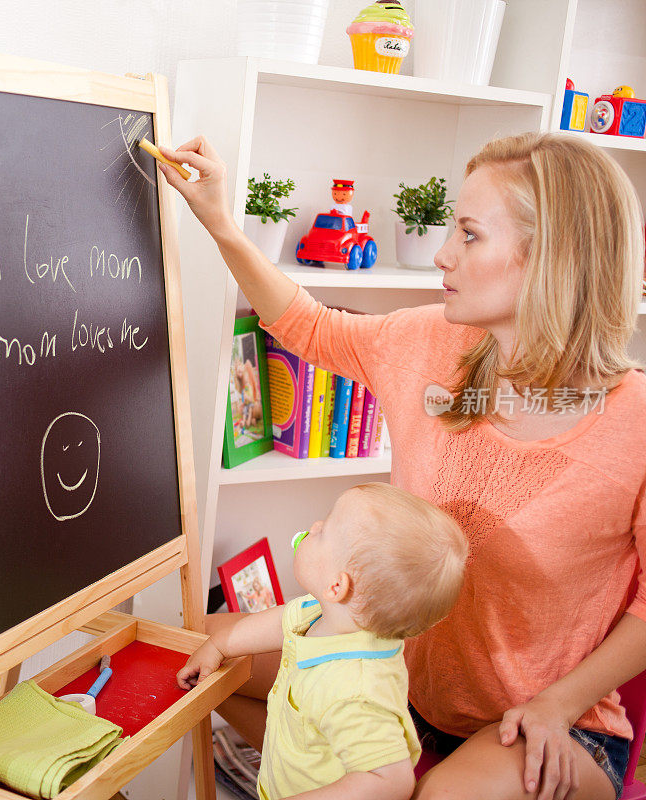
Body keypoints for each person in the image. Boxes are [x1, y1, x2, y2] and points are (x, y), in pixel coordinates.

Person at [157, 131, 646, 800]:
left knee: (441, 796)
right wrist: (219, 222)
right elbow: (306, 324)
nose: (443, 253)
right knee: (190, 650)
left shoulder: (636, 422)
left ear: (551, 257)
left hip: (550, 718)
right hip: (391, 678)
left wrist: (561, 704)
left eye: (470, 234)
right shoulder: (429, 342)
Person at [178, 482, 468, 800]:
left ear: (336, 586)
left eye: (323, 531)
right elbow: (278, 622)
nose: (314, 526)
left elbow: (392, 780)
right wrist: (219, 645)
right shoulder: (326, 614)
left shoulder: (356, 691)